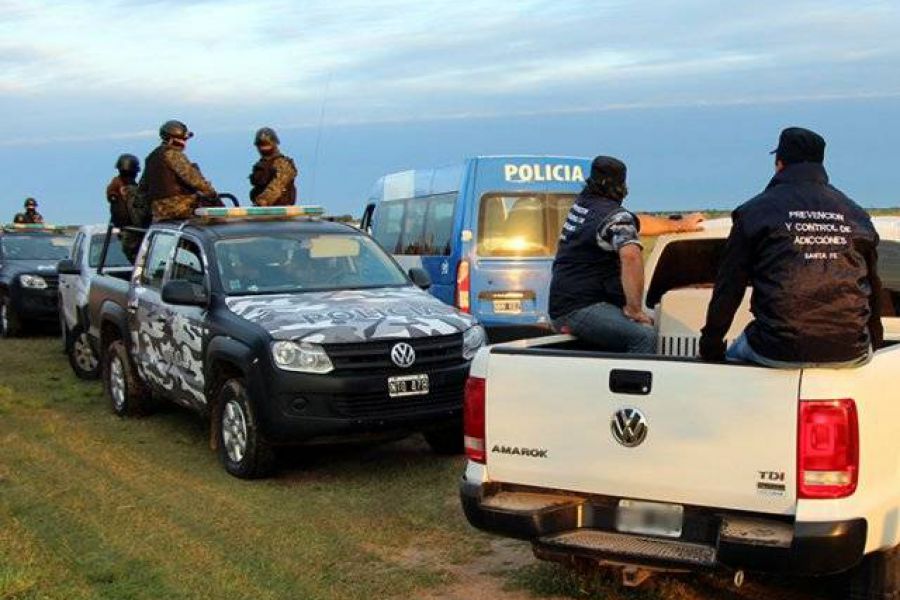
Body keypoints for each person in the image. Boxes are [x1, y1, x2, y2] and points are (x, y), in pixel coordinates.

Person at [699, 127, 882, 368]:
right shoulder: (856, 214)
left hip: (777, 349)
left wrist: (710, 345)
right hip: (850, 350)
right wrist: (874, 340)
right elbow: (873, 284)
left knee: (729, 366)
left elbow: (729, 286)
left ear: (779, 163)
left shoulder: (755, 212)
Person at [548, 156, 704, 353]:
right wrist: (634, 309)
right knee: (644, 337)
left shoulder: (586, 204)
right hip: (581, 308)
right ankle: (636, 384)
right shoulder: (613, 217)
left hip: (564, 304)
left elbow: (634, 222)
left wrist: (679, 226)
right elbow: (630, 255)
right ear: (621, 185)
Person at [139, 120, 218, 221]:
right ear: (174, 139)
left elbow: (142, 188)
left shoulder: (151, 157)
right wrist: (211, 192)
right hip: (178, 207)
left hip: (158, 210)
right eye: (184, 139)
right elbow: (194, 179)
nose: (185, 142)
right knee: (218, 215)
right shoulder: (172, 154)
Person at [106, 154, 144, 263]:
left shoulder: (135, 189)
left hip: (131, 227)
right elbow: (111, 194)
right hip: (128, 226)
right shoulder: (117, 184)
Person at [248, 127, 298, 206]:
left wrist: (264, 200)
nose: (264, 148)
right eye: (261, 145)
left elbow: (278, 185)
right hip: (263, 211)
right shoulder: (261, 165)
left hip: (280, 211)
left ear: (274, 144)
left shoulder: (282, 163)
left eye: (267, 145)